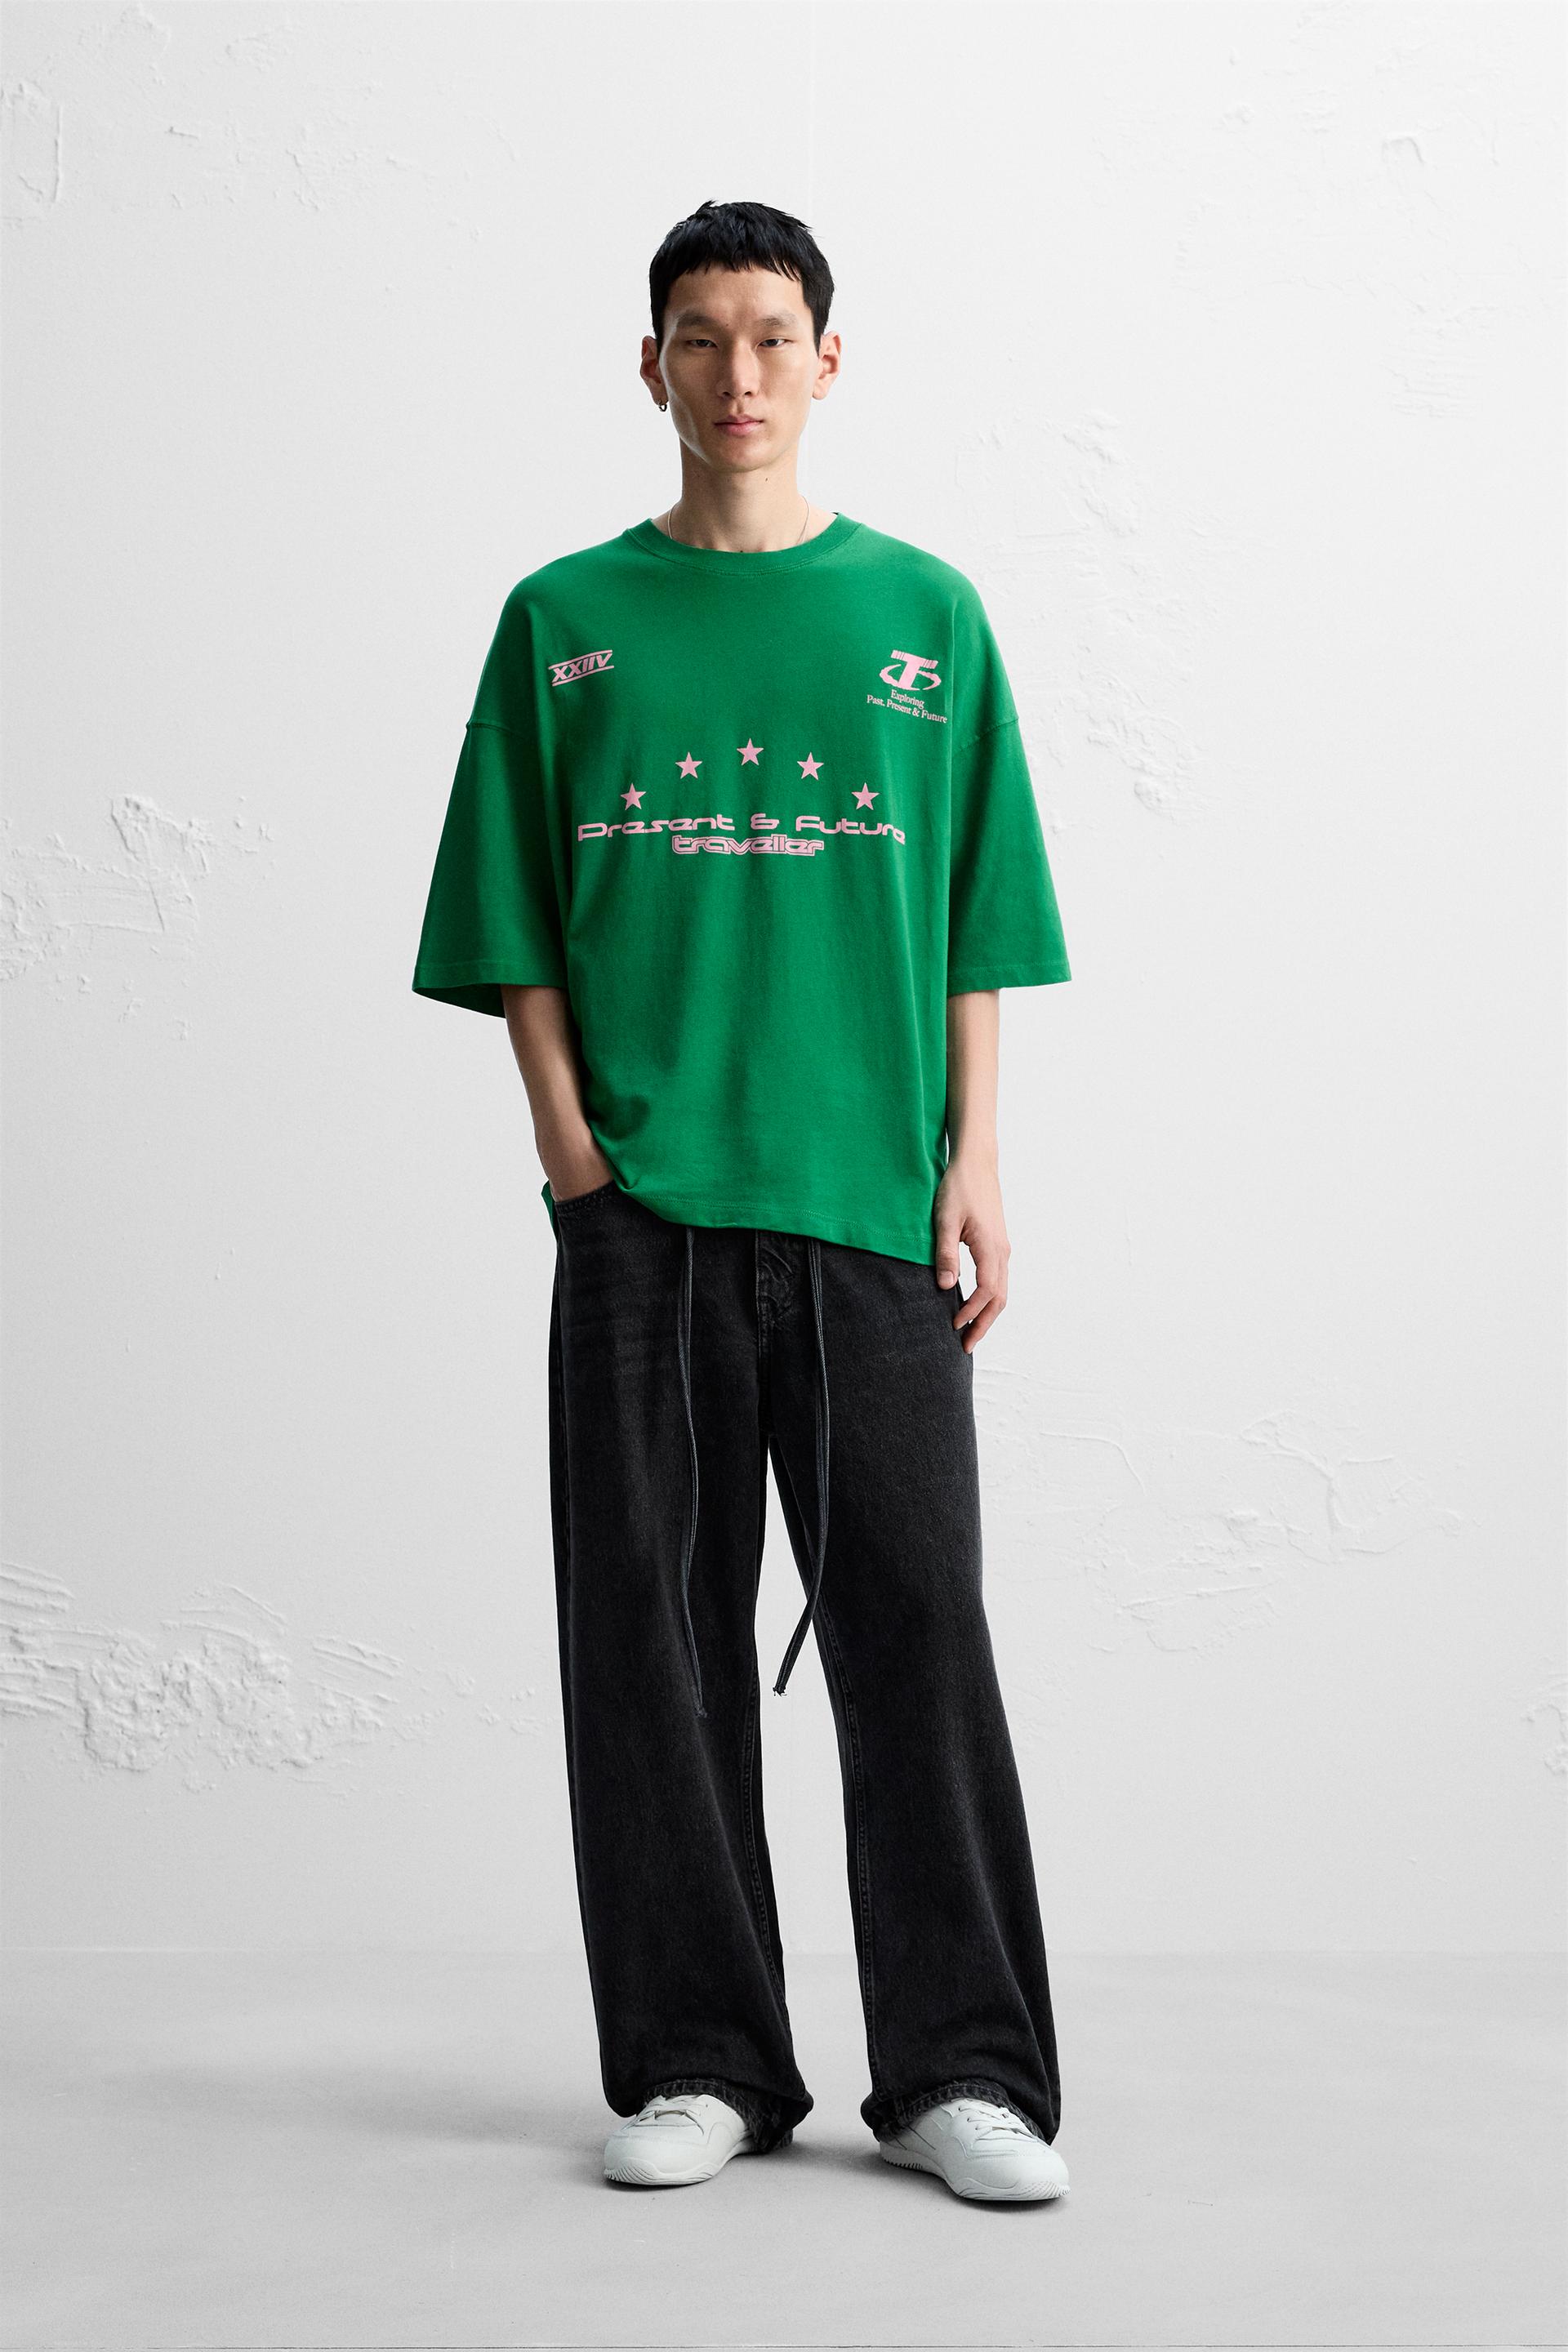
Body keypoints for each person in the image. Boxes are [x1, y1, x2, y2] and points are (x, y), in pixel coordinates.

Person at [412, 199, 1072, 2206]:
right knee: (652, 1644)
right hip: (646, 1212)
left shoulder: (926, 617)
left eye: (773, 335)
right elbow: (513, 909)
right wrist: (572, 1152)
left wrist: (973, 1156)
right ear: (651, 367)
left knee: (916, 1634)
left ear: (829, 361)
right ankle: (702, 2059)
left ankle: (964, 2073)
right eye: (699, 337)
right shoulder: (563, 619)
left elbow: (974, 911)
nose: (738, 373)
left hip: (871, 1199)